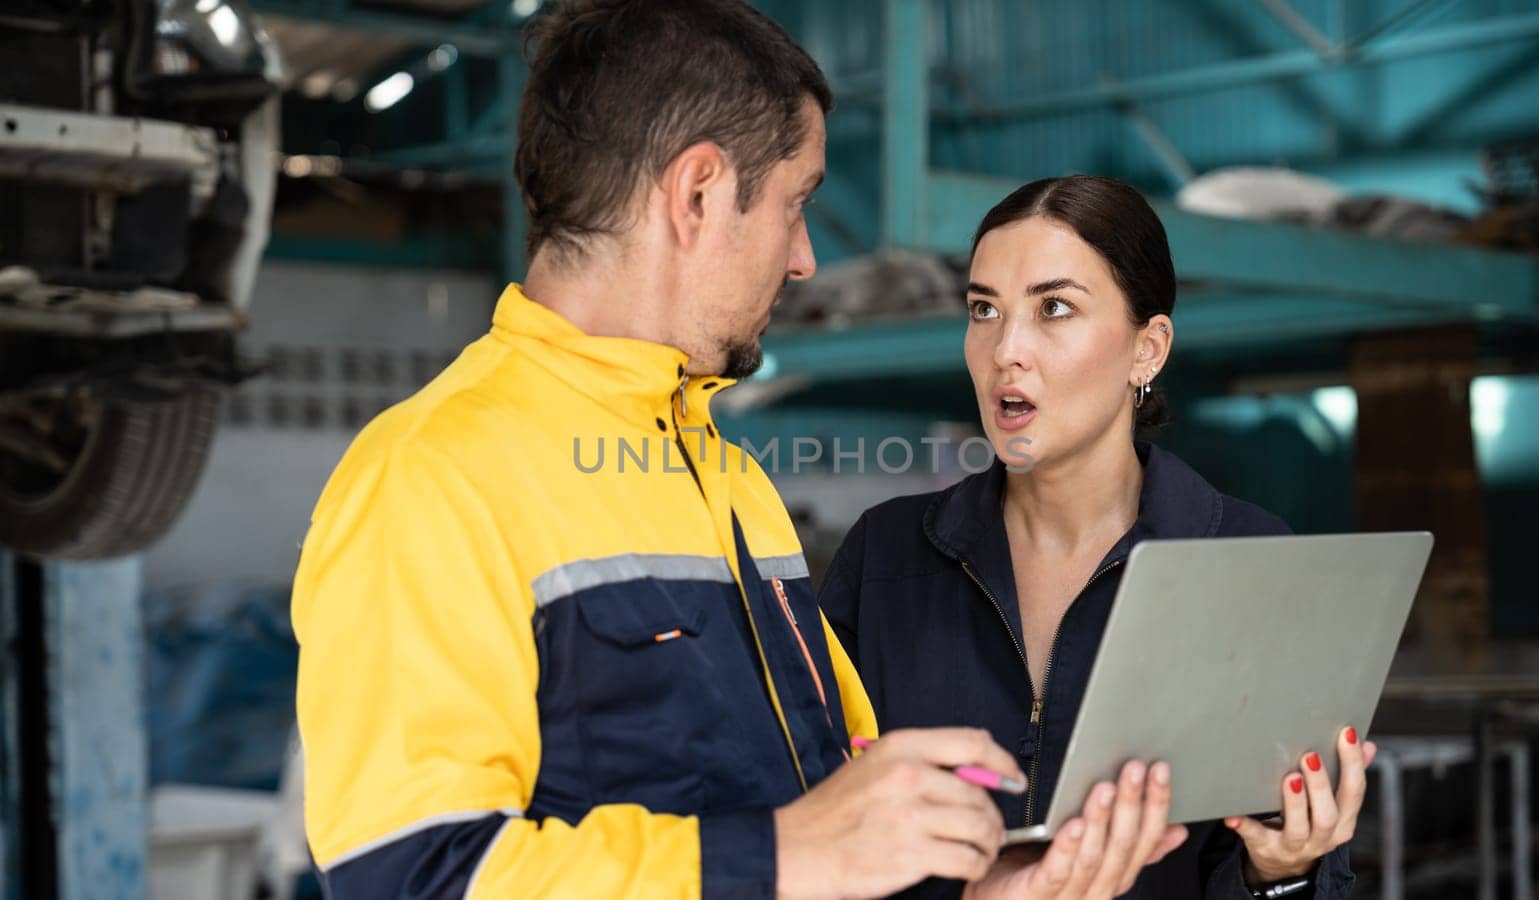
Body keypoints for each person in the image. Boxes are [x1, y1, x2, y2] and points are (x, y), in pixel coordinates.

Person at [293, 4, 1183, 898]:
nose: (802, 258)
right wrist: (784, 853)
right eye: (797, 203)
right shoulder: (430, 479)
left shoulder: (733, 484)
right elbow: (412, 876)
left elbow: (828, 830)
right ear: (699, 194)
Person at [819, 175, 1380, 900]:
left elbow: (1290, 870)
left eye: (1054, 308)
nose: (1005, 350)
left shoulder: (1246, 558)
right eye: (984, 309)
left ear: (1148, 349)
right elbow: (815, 819)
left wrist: (1281, 869)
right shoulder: (886, 556)